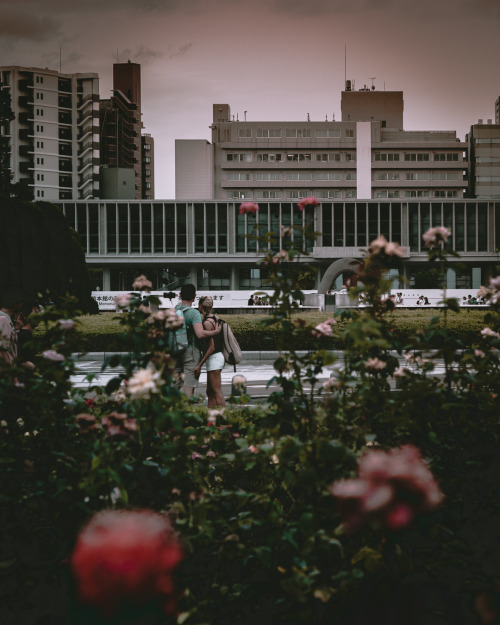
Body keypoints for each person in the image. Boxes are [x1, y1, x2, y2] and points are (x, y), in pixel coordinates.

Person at [175, 284, 221, 397]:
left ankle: (171, 411)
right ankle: (186, 413)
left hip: (175, 351)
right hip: (190, 353)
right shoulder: (193, 313)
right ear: (194, 296)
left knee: (174, 385)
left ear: (180, 295)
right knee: (188, 387)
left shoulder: (173, 311)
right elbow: (200, 334)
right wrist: (215, 332)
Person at [193, 296, 226, 408]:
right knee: (210, 391)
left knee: (217, 391)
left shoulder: (207, 323)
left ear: (201, 305)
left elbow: (211, 347)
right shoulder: (215, 318)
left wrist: (199, 365)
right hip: (216, 358)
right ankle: (211, 419)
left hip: (214, 358)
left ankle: (223, 420)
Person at [0, 287, 24, 367]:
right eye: (21, 303)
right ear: (15, 304)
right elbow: (2, 349)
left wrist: (16, 328)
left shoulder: (5, 318)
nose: (22, 305)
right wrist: (10, 373)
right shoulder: (4, 320)